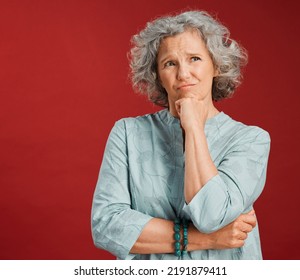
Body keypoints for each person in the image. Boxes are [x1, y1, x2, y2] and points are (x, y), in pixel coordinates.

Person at [91, 10, 271, 260]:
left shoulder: (251, 140)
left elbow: (211, 215)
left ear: (216, 66)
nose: (183, 73)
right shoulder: (127, 133)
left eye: (195, 58)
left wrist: (194, 126)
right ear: (157, 76)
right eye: (170, 63)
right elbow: (106, 225)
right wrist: (203, 240)